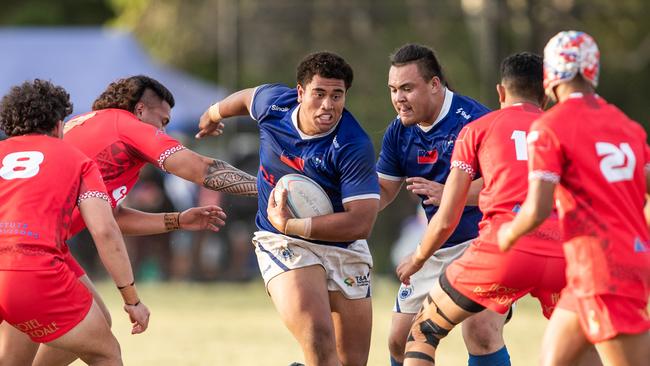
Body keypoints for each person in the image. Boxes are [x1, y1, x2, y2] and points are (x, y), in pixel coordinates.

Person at [0, 75, 256, 366]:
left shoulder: (93, 129)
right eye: (162, 121)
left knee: (75, 330)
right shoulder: (123, 127)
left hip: (31, 248)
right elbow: (200, 169)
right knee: (105, 351)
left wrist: (177, 220)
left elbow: (111, 216)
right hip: (36, 255)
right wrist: (267, 187)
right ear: (139, 111)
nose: (164, 131)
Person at [197, 51, 380, 366]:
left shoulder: (353, 145)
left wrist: (292, 223)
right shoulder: (275, 105)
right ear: (300, 93)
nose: (328, 105)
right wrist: (213, 114)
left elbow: (361, 223)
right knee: (319, 342)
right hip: (282, 241)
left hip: (341, 246)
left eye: (337, 96)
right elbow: (245, 98)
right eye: (319, 94)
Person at [395, 52, 570, 365]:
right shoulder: (564, 130)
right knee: (581, 346)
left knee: (423, 332)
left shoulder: (478, 127)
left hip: (504, 250)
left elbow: (447, 216)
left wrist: (418, 258)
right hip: (562, 252)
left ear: (500, 92)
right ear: (547, 95)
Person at [498, 31, 650, 365]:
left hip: (603, 271)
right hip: (593, 273)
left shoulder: (549, 126)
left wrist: (507, 233)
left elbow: (536, 208)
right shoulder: (626, 125)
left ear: (550, 75)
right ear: (594, 71)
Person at [377, 43, 511, 366]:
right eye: (393, 89)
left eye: (407, 88)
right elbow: (382, 189)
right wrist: (338, 202)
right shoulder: (398, 131)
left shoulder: (475, 120)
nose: (398, 98)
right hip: (436, 247)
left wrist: (451, 193)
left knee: (479, 331)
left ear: (435, 84)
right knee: (399, 338)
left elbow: (506, 182)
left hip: (485, 244)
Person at [0, 79, 149, 365]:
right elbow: (105, 230)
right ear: (58, 125)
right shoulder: (77, 159)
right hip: (31, 269)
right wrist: (132, 300)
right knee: (106, 353)